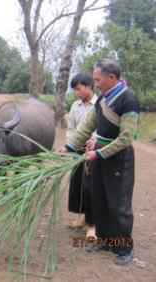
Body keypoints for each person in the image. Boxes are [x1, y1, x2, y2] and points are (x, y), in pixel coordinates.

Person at [60, 59, 140, 265]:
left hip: (118, 159)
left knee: (118, 204)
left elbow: (126, 138)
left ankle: (123, 248)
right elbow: (86, 128)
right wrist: (68, 146)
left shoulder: (128, 101)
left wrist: (99, 153)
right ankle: (104, 240)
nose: (95, 83)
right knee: (99, 199)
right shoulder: (101, 100)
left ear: (111, 78)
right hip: (99, 157)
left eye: (97, 79)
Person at [66, 73, 97, 239]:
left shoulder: (99, 104)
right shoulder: (75, 106)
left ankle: (92, 225)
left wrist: (95, 142)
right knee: (77, 185)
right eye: (75, 90)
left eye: (79, 89)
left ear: (89, 86)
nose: (77, 93)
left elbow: (104, 129)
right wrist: (70, 144)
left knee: (90, 187)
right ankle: (83, 220)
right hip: (78, 149)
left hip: (93, 151)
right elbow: (71, 128)